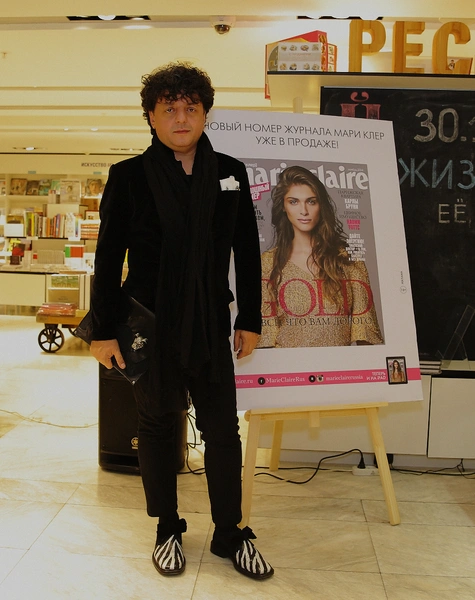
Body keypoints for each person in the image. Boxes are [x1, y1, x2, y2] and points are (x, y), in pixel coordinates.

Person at [89, 62, 273, 580]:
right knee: (156, 424)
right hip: (149, 323)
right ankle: (167, 526)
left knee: (223, 430)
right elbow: (108, 258)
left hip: (211, 320)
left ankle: (229, 532)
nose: (181, 117)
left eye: (191, 107)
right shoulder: (128, 176)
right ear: (151, 116)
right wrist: (102, 331)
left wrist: (251, 317)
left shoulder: (230, 172)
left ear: (205, 113)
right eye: (169, 108)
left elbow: (247, 251)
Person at [258, 165, 383, 348]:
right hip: (289, 365)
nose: (304, 211)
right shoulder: (268, 263)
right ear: (283, 207)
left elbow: (365, 336)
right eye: (294, 202)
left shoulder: (348, 260)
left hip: (341, 365)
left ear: (321, 205)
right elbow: (266, 339)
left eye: (311, 201)